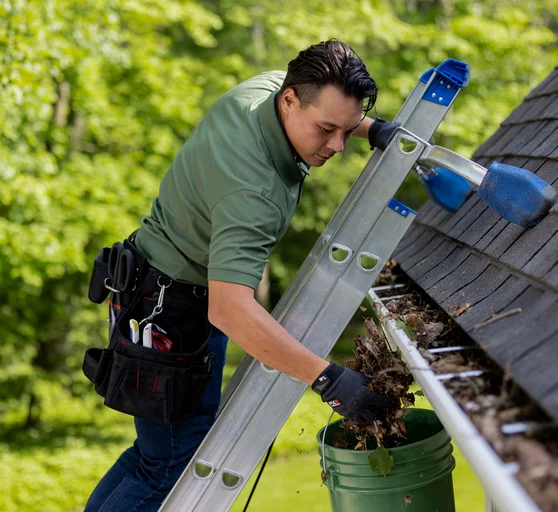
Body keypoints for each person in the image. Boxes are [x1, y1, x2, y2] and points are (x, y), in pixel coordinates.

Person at [84, 39, 401, 512]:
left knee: (154, 457)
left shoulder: (261, 92)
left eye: (347, 128)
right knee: (171, 468)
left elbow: (328, 111)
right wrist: (328, 379)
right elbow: (230, 308)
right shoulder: (253, 191)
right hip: (172, 314)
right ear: (291, 100)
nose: (337, 145)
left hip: (145, 280)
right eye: (326, 130)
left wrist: (372, 130)